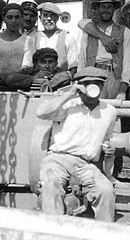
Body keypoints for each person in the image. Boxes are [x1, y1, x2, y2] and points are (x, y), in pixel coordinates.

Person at [36, 67, 117, 221]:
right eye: (88, 84)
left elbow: (106, 140)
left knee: (105, 191)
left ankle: (105, 232)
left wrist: (109, 150)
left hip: (85, 164)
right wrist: (68, 95)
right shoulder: (68, 106)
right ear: (80, 86)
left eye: (97, 84)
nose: (93, 88)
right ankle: (53, 233)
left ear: (102, 87)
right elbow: (41, 112)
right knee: (51, 184)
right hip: (58, 159)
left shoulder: (109, 111)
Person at [77, 0, 130, 100]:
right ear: (97, 9)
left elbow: (127, 62)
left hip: (114, 76)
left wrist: (122, 89)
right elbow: (82, 58)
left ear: (114, 9)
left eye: (109, 7)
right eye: (103, 7)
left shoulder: (124, 31)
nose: (106, 10)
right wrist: (79, 83)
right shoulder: (89, 31)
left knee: (113, 113)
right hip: (91, 76)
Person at [34, 2, 78, 75]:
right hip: (38, 81)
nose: (49, 19)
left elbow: (73, 65)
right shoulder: (35, 37)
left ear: (57, 18)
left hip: (60, 81)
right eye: (45, 15)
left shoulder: (67, 37)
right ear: (40, 18)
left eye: (52, 16)